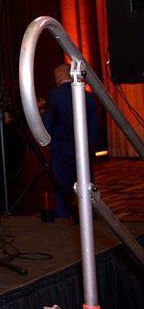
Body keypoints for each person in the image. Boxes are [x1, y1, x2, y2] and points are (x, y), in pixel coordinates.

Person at [44, 62, 100, 218]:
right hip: (84, 150)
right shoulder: (88, 97)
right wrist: (92, 149)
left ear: (59, 76)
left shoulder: (54, 95)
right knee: (86, 185)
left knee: (61, 187)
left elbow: (48, 123)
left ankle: (63, 217)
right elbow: (94, 126)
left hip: (62, 150)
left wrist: (49, 144)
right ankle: (91, 217)